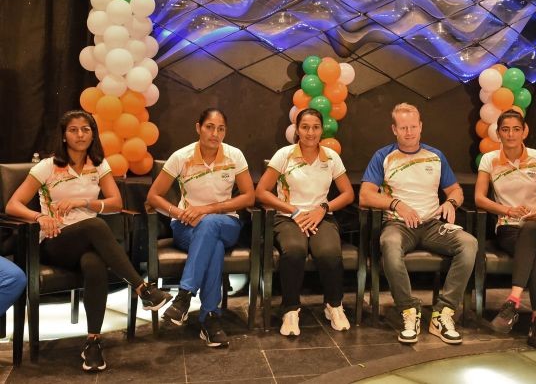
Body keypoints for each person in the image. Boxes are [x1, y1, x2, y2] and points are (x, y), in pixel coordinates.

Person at [5, 110, 171, 372]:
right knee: (95, 224)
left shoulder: (99, 164)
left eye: (86, 129)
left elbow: (116, 202)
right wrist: (39, 217)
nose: (80, 134)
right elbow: (13, 204)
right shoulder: (47, 166)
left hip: (90, 242)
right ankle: (143, 289)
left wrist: (85, 202)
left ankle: (93, 343)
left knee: (94, 263)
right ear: (63, 135)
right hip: (54, 240)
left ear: (93, 134)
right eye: (73, 130)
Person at [359, 102, 477, 345]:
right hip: (399, 224)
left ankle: (443, 314)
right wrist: (396, 204)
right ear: (394, 129)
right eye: (403, 127)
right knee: (389, 245)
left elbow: (455, 190)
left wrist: (451, 203)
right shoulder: (384, 156)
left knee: (469, 243)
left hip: (433, 224)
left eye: (413, 126)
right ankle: (408, 311)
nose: (409, 132)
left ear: (421, 127)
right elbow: (365, 195)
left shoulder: (435, 156)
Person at [147, 108, 254, 348]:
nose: (215, 133)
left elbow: (249, 197)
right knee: (212, 246)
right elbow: (153, 196)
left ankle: (184, 296)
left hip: (227, 223)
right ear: (198, 128)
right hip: (186, 227)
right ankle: (210, 318)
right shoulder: (181, 156)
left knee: (209, 224)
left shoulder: (234, 155)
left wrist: (206, 209)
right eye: (209, 127)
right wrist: (179, 212)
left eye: (221, 129)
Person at [256, 108, 354, 336]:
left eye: (315, 127)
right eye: (305, 127)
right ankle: (290, 310)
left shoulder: (331, 157)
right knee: (295, 250)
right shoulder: (284, 154)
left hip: (320, 217)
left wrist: (324, 208)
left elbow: (348, 194)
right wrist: (294, 211)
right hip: (288, 217)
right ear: (297, 130)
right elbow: (261, 192)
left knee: (329, 252)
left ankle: (334, 306)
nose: (310, 132)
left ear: (322, 130)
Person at [474, 110, 536, 348]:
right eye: (505, 129)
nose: (511, 134)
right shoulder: (489, 159)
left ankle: (514, 299)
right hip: (509, 228)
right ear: (498, 133)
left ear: (524, 131)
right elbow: (479, 198)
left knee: (532, 228)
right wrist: (506, 210)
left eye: (516, 129)